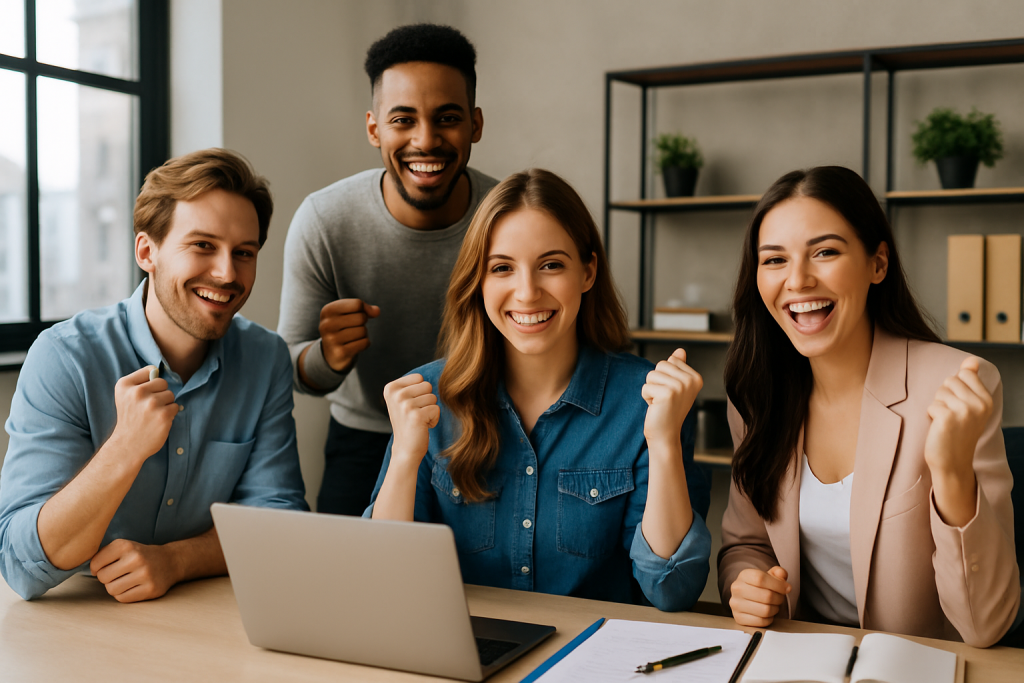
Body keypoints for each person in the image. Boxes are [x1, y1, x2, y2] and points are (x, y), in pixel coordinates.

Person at [366, 169, 711, 611]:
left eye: (551, 265)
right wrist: (405, 457)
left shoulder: (645, 401)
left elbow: (671, 590)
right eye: (502, 268)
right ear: (479, 281)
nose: (526, 293)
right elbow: (385, 584)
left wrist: (662, 442)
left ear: (587, 272)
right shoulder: (427, 397)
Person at [718, 166, 1020, 646]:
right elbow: (749, 544)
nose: (797, 280)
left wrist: (953, 475)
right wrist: (747, 582)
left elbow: (987, 627)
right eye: (774, 260)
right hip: (803, 661)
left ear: (877, 263)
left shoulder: (957, 383)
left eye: (825, 252)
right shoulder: (756, 394)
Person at [0, 149, 307, 602]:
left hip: (205, 614)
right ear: (148, 251)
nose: (226, 273)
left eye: (244, 252)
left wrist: (177, 561)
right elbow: (20, 564)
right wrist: (125, 448)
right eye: (203, 245)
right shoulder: (63, 357)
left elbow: (279, 522)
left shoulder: (266, 358)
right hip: (75, 621)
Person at [278, 24, 498, 516]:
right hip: (365, 442)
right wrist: (328, 356)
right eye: (403, 120)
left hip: (486, 437)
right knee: (345, 586)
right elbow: (295, 369)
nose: (426, 140)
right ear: (375, 128)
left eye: (447, 118)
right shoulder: (325, 219)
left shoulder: (506, 217)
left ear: (475, 125)